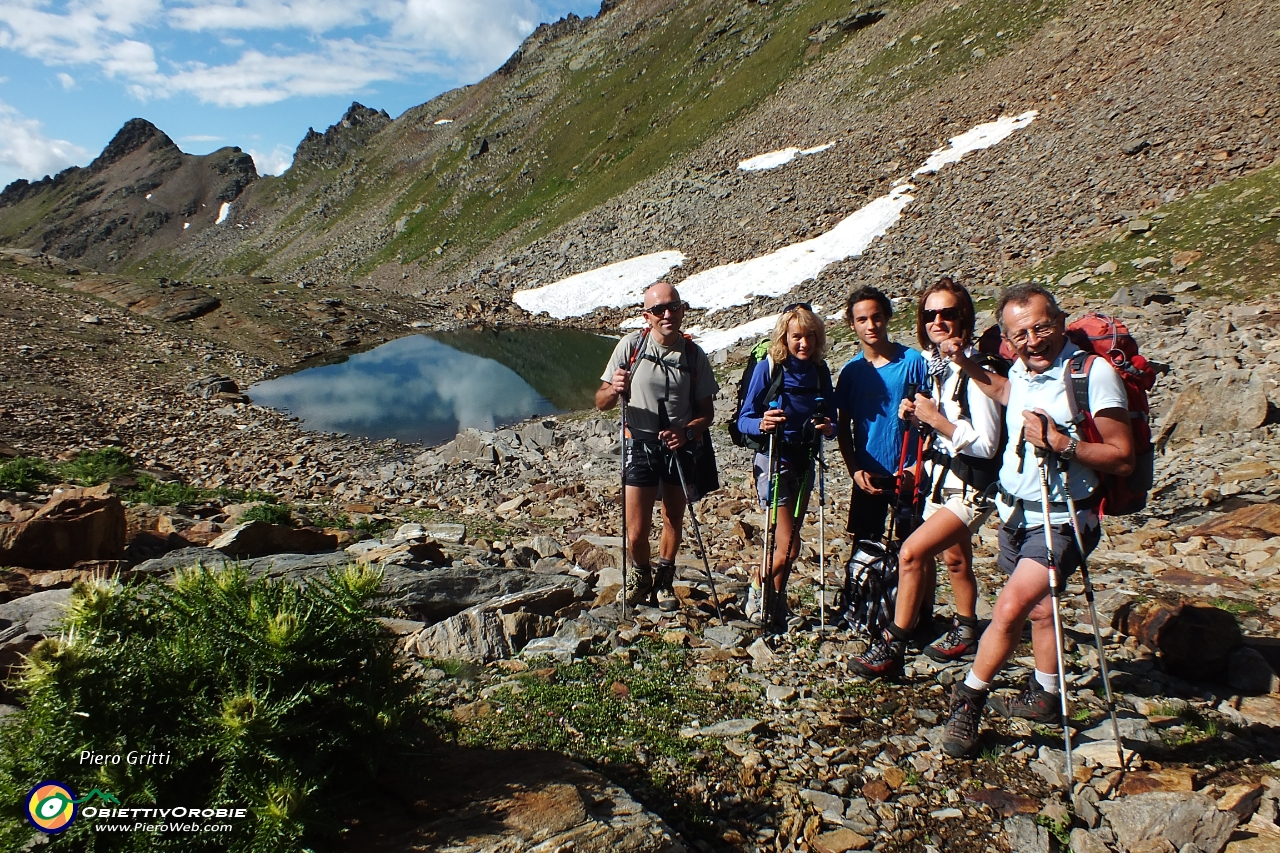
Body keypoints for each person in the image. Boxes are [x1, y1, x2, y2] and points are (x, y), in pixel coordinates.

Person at [940, 283, 1134, 758]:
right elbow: (1007, 391)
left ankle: (969, 700)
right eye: (1020, 333)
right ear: (1008, 340)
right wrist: (967, 365)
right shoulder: (1022, 371)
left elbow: (1123, 457)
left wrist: (1062, 444)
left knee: (1007, 609)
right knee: (1039, 607)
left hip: (1063, 518)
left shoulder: (1093, 374)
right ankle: (1046, 692)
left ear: (1061, 322)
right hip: (1015, 511)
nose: (1032, 339)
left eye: (1041, 326)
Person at [849, 277, 1003, 677]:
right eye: (930, 314)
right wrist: (921, 421)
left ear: (963, 317)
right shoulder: (939, 367)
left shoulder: (976, 371)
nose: (938, 320)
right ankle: (966, 627)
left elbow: (986, 444)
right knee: (955, 557)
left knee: (912, 552)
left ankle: (893, 643)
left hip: (968, 486)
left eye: (947, 313)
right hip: (941, 479)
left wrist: (936, 420)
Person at [597, 281, 719, 611]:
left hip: (678, 447)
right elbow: (600, 402)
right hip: (638, 442)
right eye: (659, 309)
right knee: (635, 532)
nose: (668, 314)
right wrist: (613, 390)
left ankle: (664, 580)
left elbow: (707, 412)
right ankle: (641, 577)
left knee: (672, 520)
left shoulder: (693, 355)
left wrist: (688, 433)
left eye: (674, 306)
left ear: (682, 309)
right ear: (646, 316)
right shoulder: (630, 347)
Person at [736, 304, 836, 632]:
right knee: (790, 546)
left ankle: (774, 606)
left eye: (809, 336)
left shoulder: (820, 372)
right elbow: (744, 419)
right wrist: (763, 422)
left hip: (805, 459)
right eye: (797, 337)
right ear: (785, 337)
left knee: (786, 545)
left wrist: (828, 427)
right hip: (773, 459)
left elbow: (832, 418)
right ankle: (757, 584)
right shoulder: (770, 368)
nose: (803, 343)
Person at [835, 285, 928, 544]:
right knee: (865, 548)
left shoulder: (913, 362)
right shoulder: (851, 372)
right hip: (868, 477)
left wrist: (919, 465)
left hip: (909, 473)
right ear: (852, 325)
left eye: (876, 317)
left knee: (913, 550)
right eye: (862, 319)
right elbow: (843, 426)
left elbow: (932, 418)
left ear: (887, 317)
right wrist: (854, 471)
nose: (871, 325)